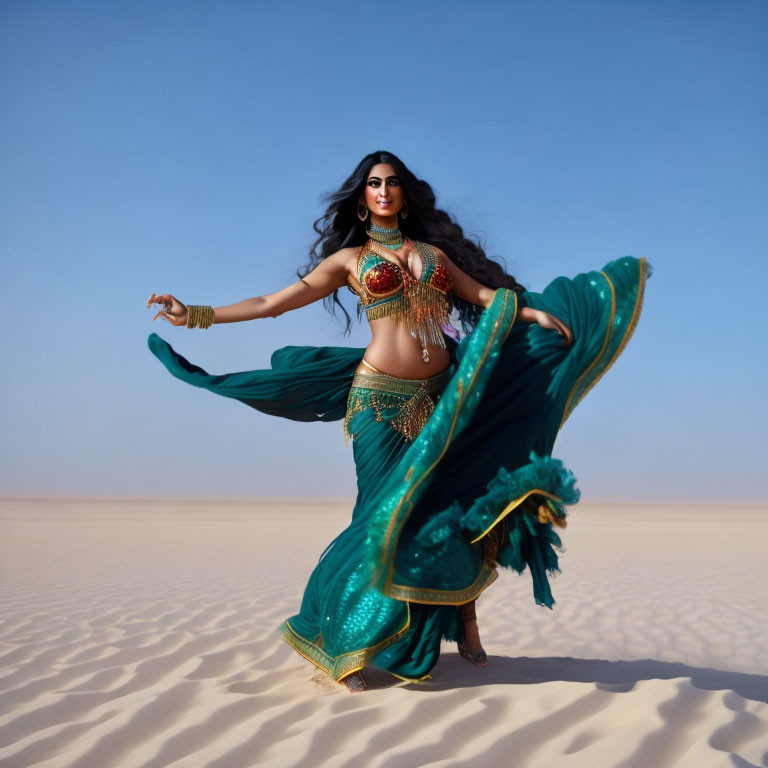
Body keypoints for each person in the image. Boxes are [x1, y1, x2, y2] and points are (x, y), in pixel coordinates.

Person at [147, 150, 651, 693]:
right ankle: (342, 641)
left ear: (404, 193)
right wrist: (195, 314)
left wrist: (529, 314)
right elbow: (274, 302)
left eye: (391, 183)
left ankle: (466, 627)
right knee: (381, 519)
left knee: (448, 510)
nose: (383, 190)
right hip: (378, 405)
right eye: (373, 184)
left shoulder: (433, 254)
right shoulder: (350, 260)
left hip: (438, 399)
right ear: (362, 198)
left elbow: (483, 296)